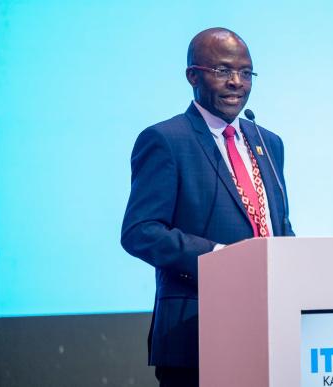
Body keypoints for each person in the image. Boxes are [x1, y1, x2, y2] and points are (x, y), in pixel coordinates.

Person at [120, 27, 295, 387]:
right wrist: (218, 258)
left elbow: (278, 226)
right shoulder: (166, 140)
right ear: (193, 76)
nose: (236, 82)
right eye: (223, 71)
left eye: (246, 73)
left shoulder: (268, 142)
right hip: (195, 331)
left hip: (269, 330)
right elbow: (140, 232)